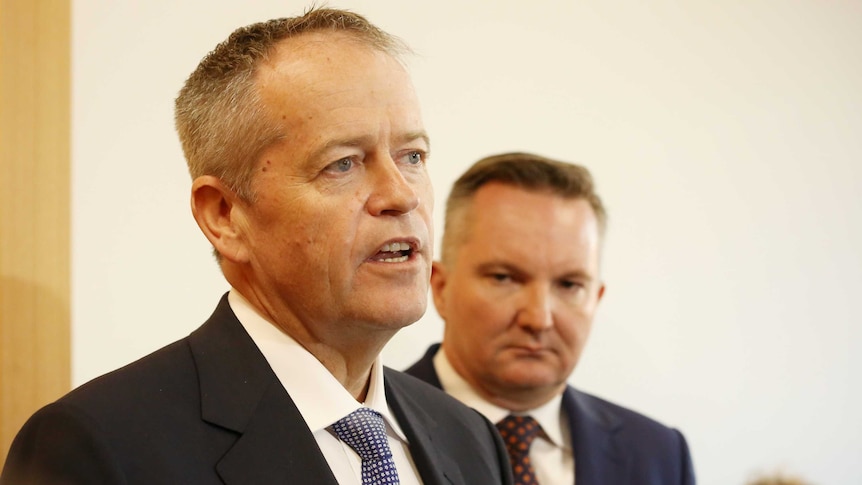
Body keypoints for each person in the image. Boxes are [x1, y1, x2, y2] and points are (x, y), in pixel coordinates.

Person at [1, 8, 512, 485]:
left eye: (413, 156)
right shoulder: (98, 448)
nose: (401, 194)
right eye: (343, 163)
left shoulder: (469, 438)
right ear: (224, 215)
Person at [405, 152, 696, 484]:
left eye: (569, 285)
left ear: (596, 299)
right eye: (504, 278)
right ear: (441, 288)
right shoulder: (371, 435)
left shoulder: (659, 455)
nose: (539, 318)